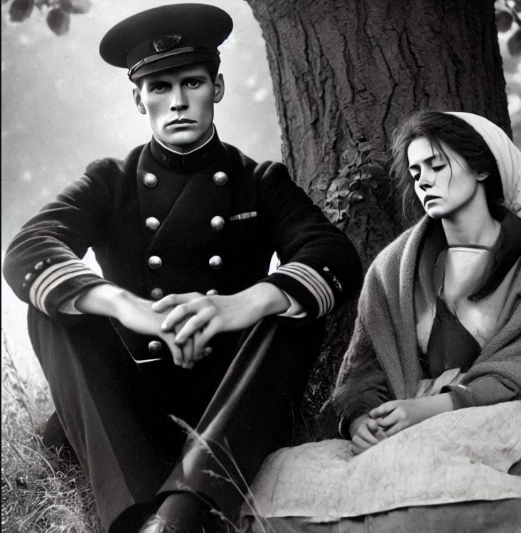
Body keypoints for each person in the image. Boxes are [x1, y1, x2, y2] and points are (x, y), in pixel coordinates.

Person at [2, 4, 363, 533]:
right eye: (158, 87)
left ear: (217, 87)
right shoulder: (109, 181)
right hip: (130, 408)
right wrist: (128, 306)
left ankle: (181, 516)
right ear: (138, 99)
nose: (176, 102)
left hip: (231, 403)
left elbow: (334, 255)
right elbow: (29, 248)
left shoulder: (260, 182)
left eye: (192, 82)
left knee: (294, 311)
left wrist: (240, 304)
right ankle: (137, 516)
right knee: (51, 308)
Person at [239, 110, 521, 533]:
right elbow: (365, 367)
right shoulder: (394, 268)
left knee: (413, 478)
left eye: (437, 166)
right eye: (416, 171)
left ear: (481, 168)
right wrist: (362, 419)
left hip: (512, 419)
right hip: (410, 424)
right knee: (281, 476)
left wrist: (431, 409)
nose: (423, 181)